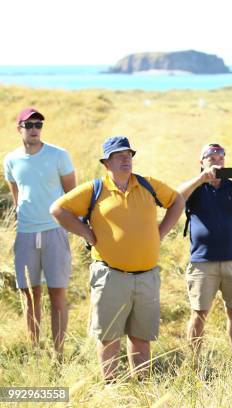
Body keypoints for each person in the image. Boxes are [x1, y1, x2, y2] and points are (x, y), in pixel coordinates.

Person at [50, 136, 184, 382]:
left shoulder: (148, 185)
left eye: (129, 154)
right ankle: (111, 387)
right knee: (109, 337)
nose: (126, 159)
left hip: (147, 276)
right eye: (118, 155)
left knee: (141, 337)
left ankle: (141, 386)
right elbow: (58, 209)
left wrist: (161, 232)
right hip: (111, 276)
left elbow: (177, 200)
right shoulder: (95, 189)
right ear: (106, 162)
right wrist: (87, 233)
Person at [178, 143, 232, 364]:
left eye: (221, 157)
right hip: (202, 262)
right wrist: (200, 179)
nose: (217, 161)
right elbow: (176, 198)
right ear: (202, 162)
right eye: (211, 157)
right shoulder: (195, 187)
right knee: (199, 313)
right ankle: (194, 363)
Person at [3, 107, 76, 359]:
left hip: (54, 232)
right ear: (19, 128)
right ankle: (34, 350)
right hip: (25, 234)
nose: (34, 129)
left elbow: (71, 195)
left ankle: (59, 353)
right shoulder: (10, 159)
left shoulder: (59, 155)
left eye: (38, 124)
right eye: (29, 124)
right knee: (29, 294)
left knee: (57, 293)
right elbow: (16, 194)